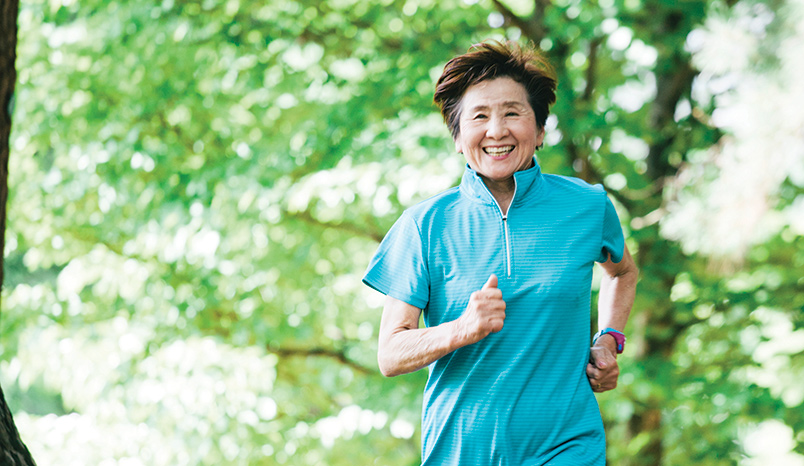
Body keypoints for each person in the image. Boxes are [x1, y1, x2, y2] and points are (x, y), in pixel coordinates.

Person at [362, 40, 638, 466]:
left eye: (512, 112)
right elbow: (391, 354)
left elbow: (621, 273)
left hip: (567, 446)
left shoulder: (587, 206)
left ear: (540, 130)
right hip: (461, 451)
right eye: (479, 117)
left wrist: (608, 339)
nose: (496, 130)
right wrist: (463, 328)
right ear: (457, 137)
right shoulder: (425, 225)